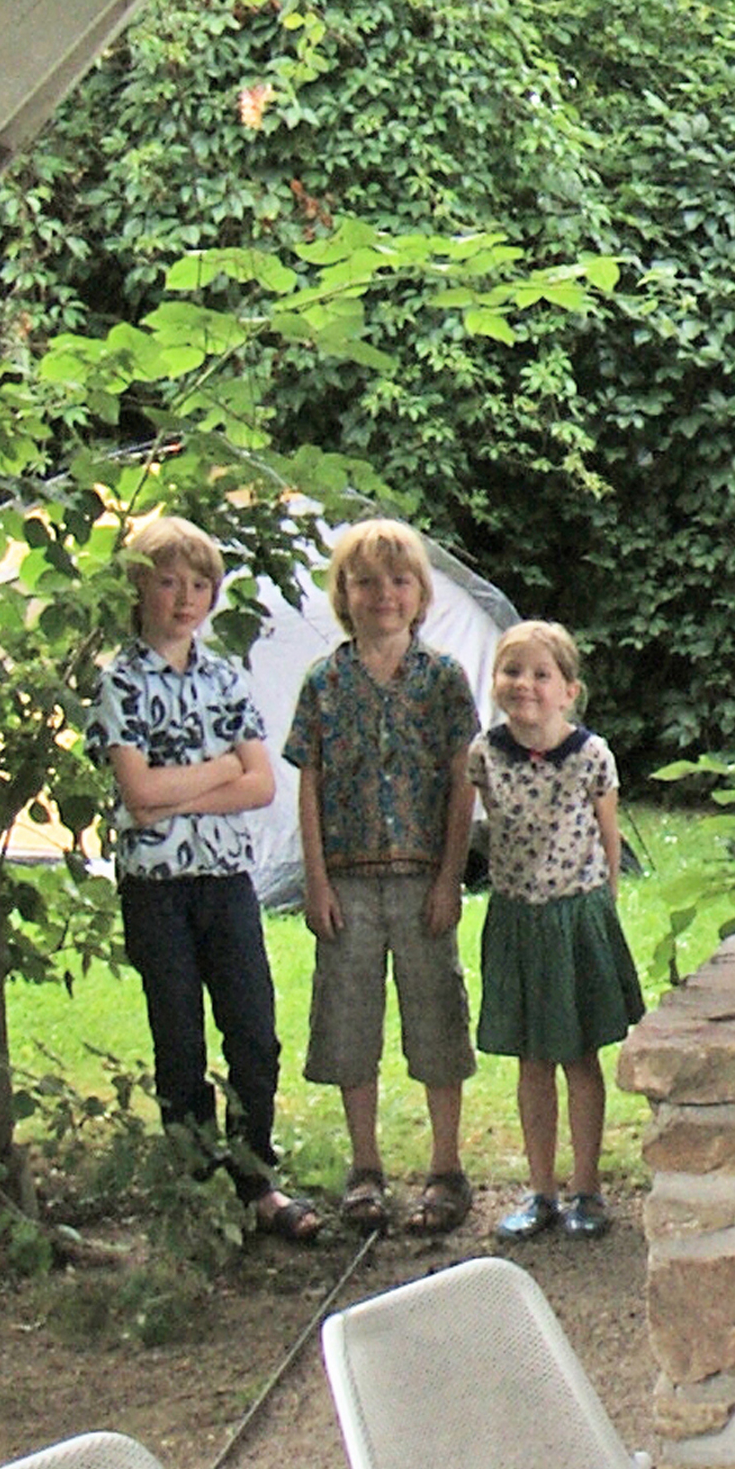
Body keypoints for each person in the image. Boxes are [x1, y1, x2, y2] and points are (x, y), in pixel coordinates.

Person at [90, 511, 318, 1242]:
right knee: (180, 1040)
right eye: (168, 583)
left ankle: (257, 1182)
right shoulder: (119, 682)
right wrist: (217, 769)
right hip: (157, 888)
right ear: (141, 590)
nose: (185, 599)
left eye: (199, 585)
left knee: (253, 1032)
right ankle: (192, 1192)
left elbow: (259, 787)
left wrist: (187, 782)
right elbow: (138, 796)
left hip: (226, 880)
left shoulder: (225, 676)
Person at [286, 520, 481, 1236]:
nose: (384, 595)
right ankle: (364, 1167)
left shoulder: (443, 681)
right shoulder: (324, 683)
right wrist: (314, 881)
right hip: (347, 881)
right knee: (348, 1019)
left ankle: (445, 1165)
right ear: (345, 594)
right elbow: (308, 785)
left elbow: (463, 783)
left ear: (421, 593)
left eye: (400, 581)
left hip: (421, 879)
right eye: (367, 582)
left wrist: (450, 877)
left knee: (436, 1015)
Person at [472, 619, 641, 1241]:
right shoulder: (484, 754)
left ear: (569, 690)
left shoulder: (593, 756)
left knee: (579, 1055)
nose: (526, 685)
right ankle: (541, 1189)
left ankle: (587, 1187)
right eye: (513, 672)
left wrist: (602, 909)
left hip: (577, 918)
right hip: (517, 920)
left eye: (542, 674)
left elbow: (609, 836)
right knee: (532, 1059)